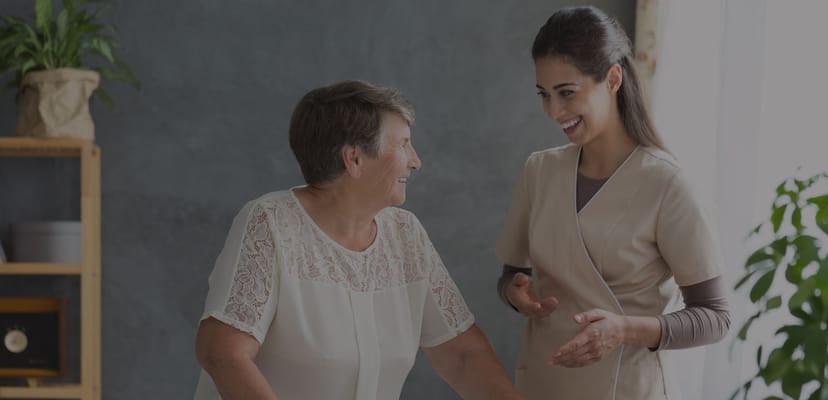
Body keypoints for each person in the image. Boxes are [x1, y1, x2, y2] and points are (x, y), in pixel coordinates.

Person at [194, 80, 521, 400]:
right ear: (354, 158)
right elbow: (222, 353)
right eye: (404, 144)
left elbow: (463, 355)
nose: (415, 161)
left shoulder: (405, 234)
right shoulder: (271, 223)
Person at [495, 6, 731, 400]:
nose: (553, 111)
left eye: (567, 93)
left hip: (628, 388)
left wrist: (624, 329)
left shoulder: (667, 184)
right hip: (542, 384)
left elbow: (715, 317)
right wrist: (515, 294)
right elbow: (511, 275)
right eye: (544, 94)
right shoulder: (539, 171)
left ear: (613, 79)